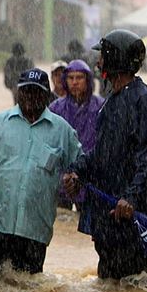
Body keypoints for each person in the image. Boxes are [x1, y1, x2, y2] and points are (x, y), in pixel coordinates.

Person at [0, 68, 82, 282]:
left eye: (36, 92)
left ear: (46, 95)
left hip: (35, 229)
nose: (30, 97)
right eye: (26, 91)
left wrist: (74, 181)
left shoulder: (63, 132)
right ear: (18, 93)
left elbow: (80, 167)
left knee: (29, 289)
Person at [64, 29, 147, 280]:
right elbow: (101, 152)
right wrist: (78, 170)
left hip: (133, 216)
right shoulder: (112, 99)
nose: (98, 63)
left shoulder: (143, 100)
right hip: (109, 213)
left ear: (115, 59)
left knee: (134, 287)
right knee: (109, 287)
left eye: (102, 57)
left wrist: (130, 197)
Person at [49, 60, 105, 210]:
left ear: (88, 80)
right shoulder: (55, 108)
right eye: (71, 78)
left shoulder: (101, 107)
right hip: (62, 179)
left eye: (79, 78)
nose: (75, 82)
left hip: (90, 178)